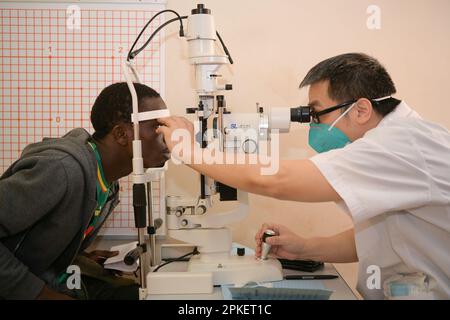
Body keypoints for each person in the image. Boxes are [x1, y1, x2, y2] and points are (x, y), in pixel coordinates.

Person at [156, 53, 450, 299]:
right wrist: (305, 247)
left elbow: (276, 180)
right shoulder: (402, 141)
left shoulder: (398, 147)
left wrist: (189, 151)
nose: (314, 126)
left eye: (317, 114)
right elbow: (386, 237)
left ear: (361, 110)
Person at [0, 82, 170, 300]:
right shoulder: (61, 170)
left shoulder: (106, 180)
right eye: (157, 127)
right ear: (121, 134)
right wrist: (40, 294)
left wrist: (78, 256)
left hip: (53, 275)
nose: (167, 136)